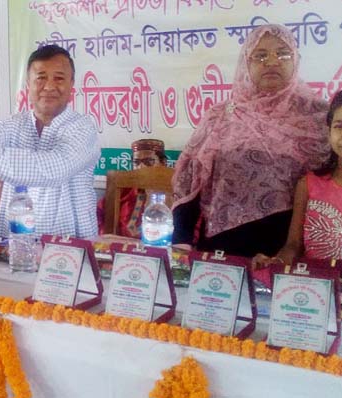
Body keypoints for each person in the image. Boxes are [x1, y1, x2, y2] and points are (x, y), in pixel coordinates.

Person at [171, 24, 329, 257]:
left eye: (283, 53)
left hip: (290, 254)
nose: (272, 61)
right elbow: (190, 182)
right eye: (260, 55)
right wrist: (181, 241)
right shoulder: (221, 116)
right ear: (247, 63)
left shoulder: (320, 116)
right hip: (222, 249)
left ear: (296, 60)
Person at [0, 44, 101, 239]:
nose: (49, 87)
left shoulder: (83, 128)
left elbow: (55, 169)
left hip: (69, 251)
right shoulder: (15, 124)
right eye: (40, 78)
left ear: (72, 84)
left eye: (59, 78)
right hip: (13, 248)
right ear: (28, 85)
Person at [252, 90, 342, 279]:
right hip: (313, 293)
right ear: (328, 131)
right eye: (339, 126)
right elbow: (293, 245)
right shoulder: (309, 184)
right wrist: (276, 263)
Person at [97, 139, 168, 237]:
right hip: (121, 249)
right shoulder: (122, 190)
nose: (141, 167)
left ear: (163, 163)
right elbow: (97, 214)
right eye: (136, 162)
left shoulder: (175, 193)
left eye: (149, 161)